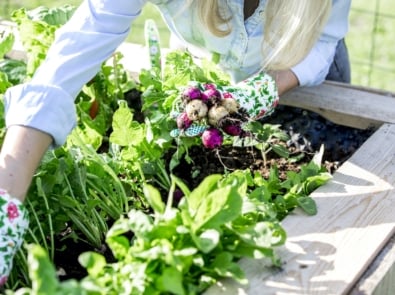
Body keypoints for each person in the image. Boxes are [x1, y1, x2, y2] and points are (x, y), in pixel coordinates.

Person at [0, 0, 351, 285]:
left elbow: (322, 42)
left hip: (306, 85)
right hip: (208, 74)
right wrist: (7, 197)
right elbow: (81, 42)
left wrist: (267, 88)